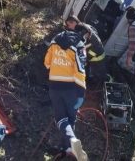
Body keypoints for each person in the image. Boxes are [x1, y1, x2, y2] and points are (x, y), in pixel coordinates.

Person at [44, 28, 89, 161]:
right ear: (82, 34)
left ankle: (68, 147)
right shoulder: (79, 45)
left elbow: (47, 63)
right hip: (71, 89)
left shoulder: (54, 41)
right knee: (70, 119)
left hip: (54, 87)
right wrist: (81, 93)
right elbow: (80, 70)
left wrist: (58, 64)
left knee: (61, 119)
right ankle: (72, 142)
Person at [66, 16, 107, 89]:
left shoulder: (82, 30)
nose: (68, 27)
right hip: (97, 54)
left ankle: (101, 87)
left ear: (74, 22)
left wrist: (83, 48)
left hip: (97, 57)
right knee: (91, 71)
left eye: (69, 25)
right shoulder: (85, 25)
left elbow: (85, 43)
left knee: (99, 75)